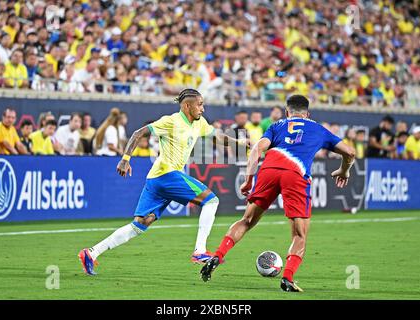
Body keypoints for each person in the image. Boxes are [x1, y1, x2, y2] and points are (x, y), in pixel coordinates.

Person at [78, 88, 247, 275]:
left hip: (155, 179)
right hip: (167, 175)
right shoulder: (171, 121)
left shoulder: (199, 123)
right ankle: (199, 251)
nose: (203, 108)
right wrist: (125, 159)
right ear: (187, 105)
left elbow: (218, 137)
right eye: (199, 104)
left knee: (140, 224)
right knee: (211, 200)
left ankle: (91, 253)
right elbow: (138, 133)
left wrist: (238, 143)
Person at [200, 95, 356, 293]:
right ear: (307, 114)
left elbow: (257, 149)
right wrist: (344, 170)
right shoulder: (318, 128)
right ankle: (288, 278)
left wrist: (248, 179)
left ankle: (218, 255)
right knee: (299, 234)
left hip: (269, 169)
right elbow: (350, 152)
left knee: (246, 220)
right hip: (296, 174)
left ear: (287, 112)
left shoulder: (277, 125)